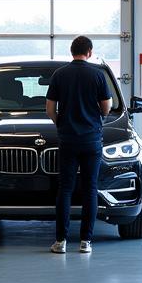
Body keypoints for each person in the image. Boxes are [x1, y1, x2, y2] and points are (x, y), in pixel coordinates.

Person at [46, 36, 113, 254]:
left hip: (67, 139)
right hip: (91, 139)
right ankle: (86, 242)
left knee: (65, 189)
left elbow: (49, 109)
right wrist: (96, 119)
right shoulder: (98, 74)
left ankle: (61, 242)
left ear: (71, 51)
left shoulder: (59, 75)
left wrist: (61, 123)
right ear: (90, 52)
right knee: (90, 189)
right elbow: (106, 107)